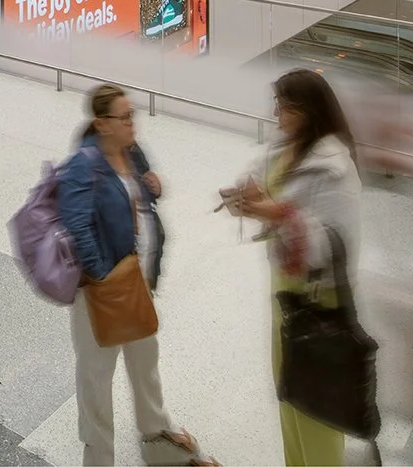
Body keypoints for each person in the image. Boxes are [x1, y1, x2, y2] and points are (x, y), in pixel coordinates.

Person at [58, 83, 209, 467]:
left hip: (137, 281)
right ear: (102, 123)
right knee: (97, 377)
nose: (132, 125)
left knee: (145, 361)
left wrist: (152, 186)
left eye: (132, 116)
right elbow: (76, 224)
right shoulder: (83, 164)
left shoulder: (131, 151)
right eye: (124, 118)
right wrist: (102, 276)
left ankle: (156, 439)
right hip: (102, 291)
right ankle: (99, 458)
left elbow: (139, 198)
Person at [226, 69, 368, 467]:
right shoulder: (284, 150)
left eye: (284, 106)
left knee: (316, 409)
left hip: (320, 302)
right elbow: (272, 198)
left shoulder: (335, 168)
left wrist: (279, 213)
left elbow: (334, 245)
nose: (276, 113)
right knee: (288, 396)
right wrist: (253, 200)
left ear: (306, 110)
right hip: (285, 295)